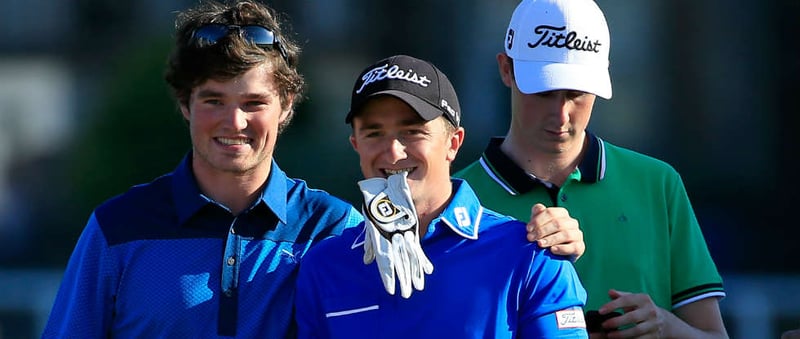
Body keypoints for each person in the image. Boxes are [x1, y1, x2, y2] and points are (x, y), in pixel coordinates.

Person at [41, 1, 364, 337]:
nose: (235, 122)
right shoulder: (116, 229)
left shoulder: (335, 230)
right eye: (214, 101)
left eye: (254, 103)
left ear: (286, 105)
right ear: (185, 103)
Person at [454, 0, 728, 338]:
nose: (561, 115)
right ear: (506, 69)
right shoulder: (453, 201)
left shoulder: (658, 184)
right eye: (543, 92)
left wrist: (664, 325)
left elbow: (715, 335)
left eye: (577, 94)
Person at [294, 54, 589, 338]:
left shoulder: (531, 256)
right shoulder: (324, 265)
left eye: (412, 132)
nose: (394, 151)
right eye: (374, 133)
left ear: (453, 143)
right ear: (356, 144)